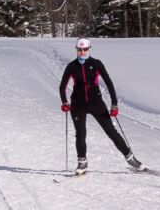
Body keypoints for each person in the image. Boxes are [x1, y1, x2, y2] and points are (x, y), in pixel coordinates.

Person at [59, 37, 145, 175]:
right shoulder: (72, 66)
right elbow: (62, 87)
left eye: (85, 49)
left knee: (111, 132)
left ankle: (131, 158)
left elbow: (109, 84)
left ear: (89, 49)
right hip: (78, 104)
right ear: (76, 50)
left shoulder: (96, 64)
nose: (82, 52)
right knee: (80, 134)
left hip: (96, 103)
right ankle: (82, 163)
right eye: (79, 50)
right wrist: (64, 102)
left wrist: (114, 105)